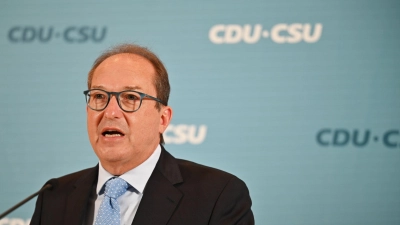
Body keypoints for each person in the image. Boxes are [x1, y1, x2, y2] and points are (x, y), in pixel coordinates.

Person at [30, 44, 254, 225]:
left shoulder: (218, 195)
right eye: (99, 96)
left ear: (163, 119)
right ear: (87, 111)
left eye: (130, 97)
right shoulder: (54, 197)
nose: (110, 112)